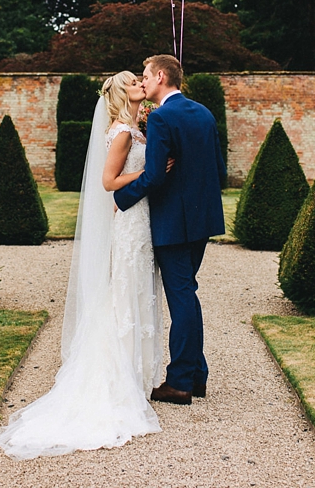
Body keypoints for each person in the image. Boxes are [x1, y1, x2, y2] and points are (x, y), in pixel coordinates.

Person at [0, 71, 167, 459]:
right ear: (124, 92)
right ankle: (122, 375)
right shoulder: (122, 131)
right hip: (130, 220)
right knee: (126, 288)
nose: (142, 83)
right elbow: (108, 181)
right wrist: (150, 173)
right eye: (134, 82)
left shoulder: (137, 126)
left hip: (139, 219)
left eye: (142, 80)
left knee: (135, 288)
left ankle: (135, 374)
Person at [114, 54, 226, 405]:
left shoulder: (161, 117)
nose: (143, 82)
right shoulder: (204, 113)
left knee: (181, 297)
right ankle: (196, 376)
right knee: (186, 294)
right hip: (202, 220)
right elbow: (218, 170)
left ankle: (179, 382)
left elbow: (154, 175)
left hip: (174, 224)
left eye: (146, 76)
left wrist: (122, 197)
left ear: (161, 76)